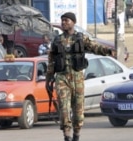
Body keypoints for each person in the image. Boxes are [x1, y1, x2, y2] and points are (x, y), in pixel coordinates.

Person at [45, 12, 115, 141]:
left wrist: (108, 51)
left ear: (73, 22)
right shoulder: (57, 40)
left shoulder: (81, 38)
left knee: (78, 112)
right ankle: (67, 136)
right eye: (62, 21)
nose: (64, 23)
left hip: (77, 78)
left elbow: (95, 47)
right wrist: (48, 79)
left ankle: (76, 136)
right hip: (62, 78)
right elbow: (51, 60)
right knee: (64, 109)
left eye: (66, 20)